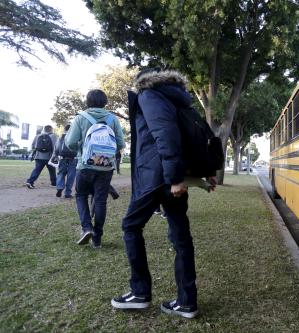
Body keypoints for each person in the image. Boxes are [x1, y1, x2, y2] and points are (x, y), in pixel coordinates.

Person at [111, 68, 216, 318]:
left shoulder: (149, 95)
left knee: (130, 226)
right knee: (180, 236)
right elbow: (200, 135)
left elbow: (165, 135)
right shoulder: (179, 99)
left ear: (142, 82)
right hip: (172, 175)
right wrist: (207, 169)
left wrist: (176, 179)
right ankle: (187, 302)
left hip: (159, 177)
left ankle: (140, 293)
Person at [65, 89, 125, 248]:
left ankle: (86, 228)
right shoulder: (113, 119)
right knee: (100, 200)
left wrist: (82, 149)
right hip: (106, 167)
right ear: (105, 102)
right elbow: (120, 143)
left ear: (87, 101)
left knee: (81, 195)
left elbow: (70, 142)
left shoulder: (80, 118)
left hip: (85, 165)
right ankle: (97, 238)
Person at [53, 124, 77, 198]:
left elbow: (56, 148)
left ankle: (60, 187)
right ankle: (67, 193)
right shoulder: (75, 136)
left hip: (62, 158)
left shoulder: (61, 137)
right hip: (73, 158)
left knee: (61, 173)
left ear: (65, 129)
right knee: (71, 175)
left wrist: (55, 156)